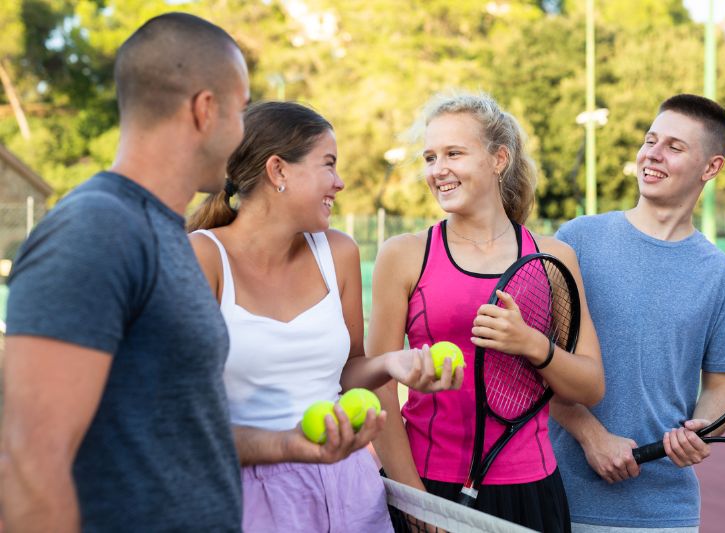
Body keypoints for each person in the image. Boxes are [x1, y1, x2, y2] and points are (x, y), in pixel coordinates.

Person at [1, 13, 250, 532]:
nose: (243, 133)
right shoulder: (97, 230)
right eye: (242, 111)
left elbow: (168, 427)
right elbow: (28, 463)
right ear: (205, 110)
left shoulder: (162, 230)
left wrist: (291, 445)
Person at [185, 100, 463, 532]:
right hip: (241, 496)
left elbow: (346, 372)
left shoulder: (339, 252)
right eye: (328, 165)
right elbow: (184, 420)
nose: (341, 182)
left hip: (349, 490)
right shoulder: (201, 257)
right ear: (278, 171)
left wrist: (392, 363)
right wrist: (289, 447)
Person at [366, 92, 605, 532]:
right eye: (430, 157)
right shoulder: (402, 255)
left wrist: (532, 344)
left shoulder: (553, 258)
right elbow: (377, 383)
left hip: (532, 489)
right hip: (427, 486)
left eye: (454, 153)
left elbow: (589, 387)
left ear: (499, 159)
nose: (438, 170)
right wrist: (413, 496)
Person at [549, 94, 725, 532]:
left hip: (665, 513)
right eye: (650, 140)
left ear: (711, 167)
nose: (652, 154)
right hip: (559, 497)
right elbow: (535, 360)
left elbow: (722, 386)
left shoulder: (722, 277)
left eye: (674, 147)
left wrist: (704, 428)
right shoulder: (577, 241)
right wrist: (592, 436)